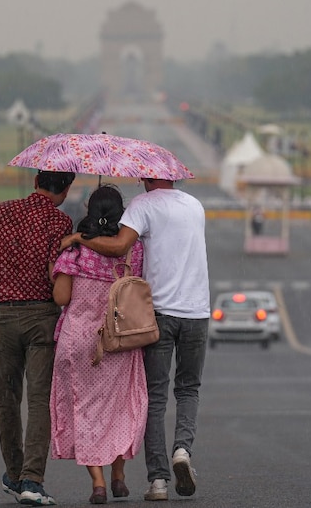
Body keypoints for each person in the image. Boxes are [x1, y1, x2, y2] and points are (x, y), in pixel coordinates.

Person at [61, 177, 210, 502]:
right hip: (197, 311)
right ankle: (183, 449)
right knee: (188, 389)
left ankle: (158, 480)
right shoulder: (195, 206)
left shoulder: (144, 205)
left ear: (149, 177)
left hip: (157, 314)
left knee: (155, 396)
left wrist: (79, 237)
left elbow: (117, 246)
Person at [0, 170, 76, 507]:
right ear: (65, 189)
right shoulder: (61, 221)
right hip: (41, 318)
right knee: (39, 401)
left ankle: (14, 471)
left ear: (35, 181)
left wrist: (9, 287)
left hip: (2, 316)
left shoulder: (3, 211)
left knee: (7, 400)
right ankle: (32, 482)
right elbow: (57, 271)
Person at [50, 184, 148, 505]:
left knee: (85, 410)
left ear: (90, 211)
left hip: (79, 342)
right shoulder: (134, 251)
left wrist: (57, 270)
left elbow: (61, 297)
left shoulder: (74, 252)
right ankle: (119, 476)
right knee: (118, 409)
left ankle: (98, 483)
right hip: (119, 340)